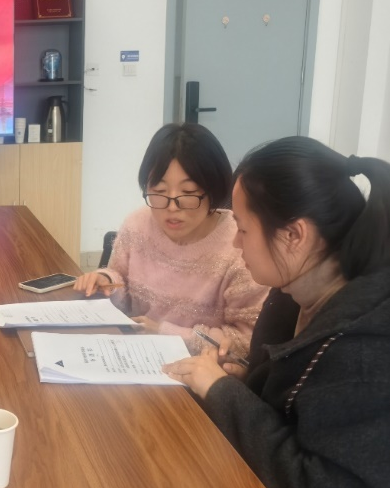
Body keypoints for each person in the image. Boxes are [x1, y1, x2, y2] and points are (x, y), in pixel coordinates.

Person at [163, 137, 390, 487]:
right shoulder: (291, 294)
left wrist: (222, 391)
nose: (236, 243)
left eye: (243, 229)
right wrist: (250, 380)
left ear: (294, 235)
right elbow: (293, 403)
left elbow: (316, 479)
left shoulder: (364, 353)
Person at [73, 123, 268, 355]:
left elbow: (245, 341)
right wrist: (106, 282)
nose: (172, 207)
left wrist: (165, 333)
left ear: (213, 189)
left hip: (198, 370)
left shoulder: (239, 245)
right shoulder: (137, 225)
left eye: (188, 192)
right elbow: (121, 284)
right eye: (159, 191)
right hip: (133, 355)